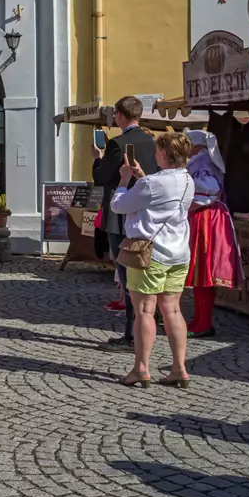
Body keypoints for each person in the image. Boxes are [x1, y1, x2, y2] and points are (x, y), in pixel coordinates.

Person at [109, 131, 195, 390]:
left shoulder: (151, 184)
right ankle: (179, 368)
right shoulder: (188, 179)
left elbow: (118, 205)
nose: (155, 153)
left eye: (158, 150)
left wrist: (125, 180)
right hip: (178, 252)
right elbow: (162, 199)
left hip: (150, 253)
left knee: (144, 311)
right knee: (173, 310)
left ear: (165, 154)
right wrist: (143, 177)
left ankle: (141, 368)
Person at [92, 96, 162, 351]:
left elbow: (101, 177)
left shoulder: (117, 143)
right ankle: (149, 327)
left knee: (127, 277)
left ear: (120, 115)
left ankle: (132, 335)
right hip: (149, 215)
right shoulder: (154, 142)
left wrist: (97, 159)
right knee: (147, 275)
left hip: (122, 216)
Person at [184, 129, 242, 338]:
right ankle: (199, 319)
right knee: (200, 271)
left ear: (196, 146)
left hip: (207, 218)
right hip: (203, 217)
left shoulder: (203, 164)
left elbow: (208, 192)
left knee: (204, 270)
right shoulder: (199, 162)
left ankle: (204, 322)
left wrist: (183, 203)